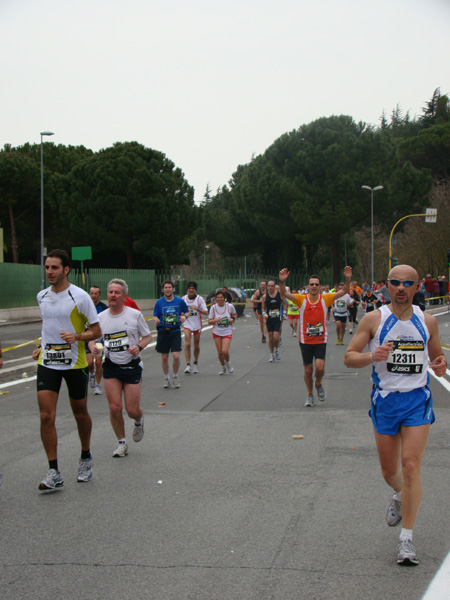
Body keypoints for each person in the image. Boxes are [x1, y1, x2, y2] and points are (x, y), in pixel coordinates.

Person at [344, 265, 447, 566]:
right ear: (386, 286)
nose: (401, 287)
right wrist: (371, 356)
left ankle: (406, 540)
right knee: (391, 472)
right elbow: (349, 357)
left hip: (417, 401)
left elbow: (438, 357)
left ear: (417, 288)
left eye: (407, 283)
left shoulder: (427, 321)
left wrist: (440, 364)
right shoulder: (374, 319)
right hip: (386, 401)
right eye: (395, 282)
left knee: (411, 466)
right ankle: (399, 494)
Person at [32, 249, 101, 491]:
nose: (49, 272)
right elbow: (48, 327)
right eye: (47, 267)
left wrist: (77, 336)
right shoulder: (41, 296)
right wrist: (41, 347)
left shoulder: (79, 297)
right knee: (46, 415)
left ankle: (85, 457)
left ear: (66, 269)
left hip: (75, 363)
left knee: (80, 412)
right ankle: (53, 470)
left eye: (54, 268)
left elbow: (96, 331)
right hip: (49, 361)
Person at [89, 279, 152, 458]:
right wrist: (93, 345)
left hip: (131, 365)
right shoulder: (100, 318)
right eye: (110, 292)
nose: (113, 295)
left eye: (117, 293)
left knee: (131, 410)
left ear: (124, 296)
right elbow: (92, 337)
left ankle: (139, 420)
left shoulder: (134, 315)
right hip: (111, 366)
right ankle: (121, 443)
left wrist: (138, 347)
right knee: (115, 407)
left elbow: (147, 337)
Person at [279, 266, 353, 407]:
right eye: (311, 284)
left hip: (320, 340)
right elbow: (284, 294)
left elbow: (344, 291)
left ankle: (318, 383)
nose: (314, 286)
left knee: (319, 368)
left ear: (320, 287)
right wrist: (282, 282)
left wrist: (348, 278)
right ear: (307, 286)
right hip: (305, 340)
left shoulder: (326, 298)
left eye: (316, 284)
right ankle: (309, 394)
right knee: (308, 369)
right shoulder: (301, 299)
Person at [153, 280, 188, 389]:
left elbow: (187, 312)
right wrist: (156, 319)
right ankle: (166, 378)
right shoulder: (159, 302)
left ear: (173, 289)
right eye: (166, 287)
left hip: (175, 331)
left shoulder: (179, 301)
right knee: (164, 357)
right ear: (163, 289)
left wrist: (184, 317)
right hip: (163, 331)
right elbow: (155, 315)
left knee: (176, 356)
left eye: (169, 287)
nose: (167, 289)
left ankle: (175, 376)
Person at [208, 288, 237, 374]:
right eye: (218, 297)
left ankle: (228, 363)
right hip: (217, 331)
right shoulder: (213, 308)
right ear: (216, 299)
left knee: (225, 351)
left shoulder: (229, 306)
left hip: (227, 331)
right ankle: (223, 367)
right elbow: (209, 321)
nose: (220, 299)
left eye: (221, 297)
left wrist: (232, 318)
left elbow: (235, 314)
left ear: (224, 298)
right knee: (220, 352)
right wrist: (215, 320)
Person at [182, 281, 208, 374]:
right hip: (187, 324)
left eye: (193, 289)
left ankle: (195, 363)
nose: (191, 290)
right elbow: (179, 310)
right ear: (187, 289)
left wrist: (197, 309)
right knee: (188, 344)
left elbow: (206, 312)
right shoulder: (184, 299)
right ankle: (188, 365)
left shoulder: (199, 299)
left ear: (195, 290)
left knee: (196, 346)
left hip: (197, 324)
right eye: (190, 288)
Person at [86, 286, 108, 395]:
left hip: (99, 339)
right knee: (90, 363)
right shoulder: (85, 307)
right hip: (88, 338)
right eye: (92, 293)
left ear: (99, 295)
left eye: (96, 293)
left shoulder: (104, 308)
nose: (93, 296)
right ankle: (91, 373)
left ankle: (98, 385)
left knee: (99, 362)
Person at [262, 280, 283, 362]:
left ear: (274, 287)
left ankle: (277, 350)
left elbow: (285, 303)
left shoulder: (279, 295)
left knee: (276, 338)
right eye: (269, 286)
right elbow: (263, 308)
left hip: (277, 318)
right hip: (269, 319)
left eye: (272, 286)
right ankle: (271, 354)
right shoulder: (265, 296)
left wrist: (284, 313)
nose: (270, 287)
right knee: (270, 338)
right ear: (267, 287)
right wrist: (264, 314)